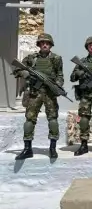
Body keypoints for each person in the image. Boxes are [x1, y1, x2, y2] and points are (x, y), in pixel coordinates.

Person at [13, 33, 64, 161]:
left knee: (53, 119)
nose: (45, 45)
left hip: (49, 93)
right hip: (35, 93)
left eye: (47, 43)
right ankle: (27, 148)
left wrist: (57, 85)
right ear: (39, 45)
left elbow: (60, 75)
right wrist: (25, 73)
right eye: (42, 43)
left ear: (50, 45)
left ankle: (52, 148)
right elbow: (16, 69)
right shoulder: (31, 58)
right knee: (29, 119)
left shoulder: (56, 59)